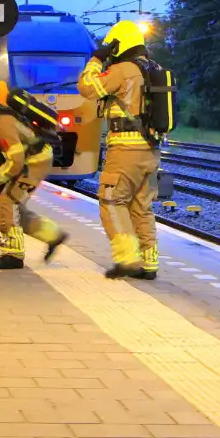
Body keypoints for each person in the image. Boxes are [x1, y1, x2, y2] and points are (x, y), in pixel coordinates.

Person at [77, 20, 160, 280]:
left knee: (112, 200)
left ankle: (128, 259)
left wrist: (95, 60)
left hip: (125, 149)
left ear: (118, 45)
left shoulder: (123, 70)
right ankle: (149, 263)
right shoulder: (154, 69)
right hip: (150, 150)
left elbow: (88, 88)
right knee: (141, 206)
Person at [0, 84, 69, 269]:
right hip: (32, 158)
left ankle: (14, 254)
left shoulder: (0, 125)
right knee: (16, 210)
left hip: (35, 161)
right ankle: (53, 235)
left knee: (8, 202)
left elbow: (16, 160)